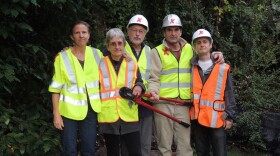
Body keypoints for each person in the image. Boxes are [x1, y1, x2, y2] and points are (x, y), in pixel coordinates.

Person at [148, 14, 224, 156]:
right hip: (162, 103)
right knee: (164, 145)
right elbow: (153, 78)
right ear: (164, 32)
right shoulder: (156, 52)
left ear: (181, 31)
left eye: (176, 29)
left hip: (184, 104)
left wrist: (217, 54)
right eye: (169, 30)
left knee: (185, 145)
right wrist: (153, 91)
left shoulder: (190, 48)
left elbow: (204, 55)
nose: (173, 33)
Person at [48, 21, 103, 155]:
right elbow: (55, 88)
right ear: (72, 36)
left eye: (84, 32)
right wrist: (56, 114)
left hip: (90, 110)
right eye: (77, 33)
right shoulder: (62, 57)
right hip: (68, 112)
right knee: (69, 150)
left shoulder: (98, 54)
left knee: (89, 149)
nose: (81, 35)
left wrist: (126, 57)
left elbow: (113, 65)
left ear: (89, 35)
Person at [98, 28, 145, 156]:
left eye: (120, 43)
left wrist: (139, 87)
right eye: (113, 43)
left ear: (124, 45)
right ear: (107, 46)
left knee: (135, 152)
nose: (117, 47)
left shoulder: (131, 63)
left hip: (128, 114)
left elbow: (139, 81)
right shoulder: (99, 63)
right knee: (112, 152)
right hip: (109, 115)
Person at [189, 29, 236, 156]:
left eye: (205, 42)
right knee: (201, 152)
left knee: (220, 152)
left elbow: (229, 93)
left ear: (211, 44)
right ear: (194, 46)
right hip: (198, 119)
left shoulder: (222, 67)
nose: (202, 45)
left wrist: (230, 116)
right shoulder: (190, 67)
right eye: (198, 42)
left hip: (218, 119)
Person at [125, 14, 153, 156]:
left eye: (141, 31)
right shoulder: (118, 47)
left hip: (145, 102)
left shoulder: (150, 51)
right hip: (125, 103)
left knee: (145, 144)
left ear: (145, 33)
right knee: (127, 145)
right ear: (128, 31)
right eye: (134, 30)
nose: (137, 34)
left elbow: (155, 77)